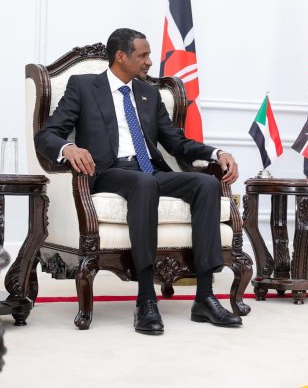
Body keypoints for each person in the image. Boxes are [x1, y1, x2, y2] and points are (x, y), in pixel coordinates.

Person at [35, 28, 241, 335]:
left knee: (206, 185)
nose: (149, 61)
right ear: (121, 56)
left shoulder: (148, 94)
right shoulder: (83, 86)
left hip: (150, 171)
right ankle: (146, 298)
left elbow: (177, 143)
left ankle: (205, 298)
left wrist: (216, 152)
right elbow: (46, 135)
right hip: (108, 172)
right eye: (143, 55)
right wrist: (69, 148)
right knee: (144, 184)